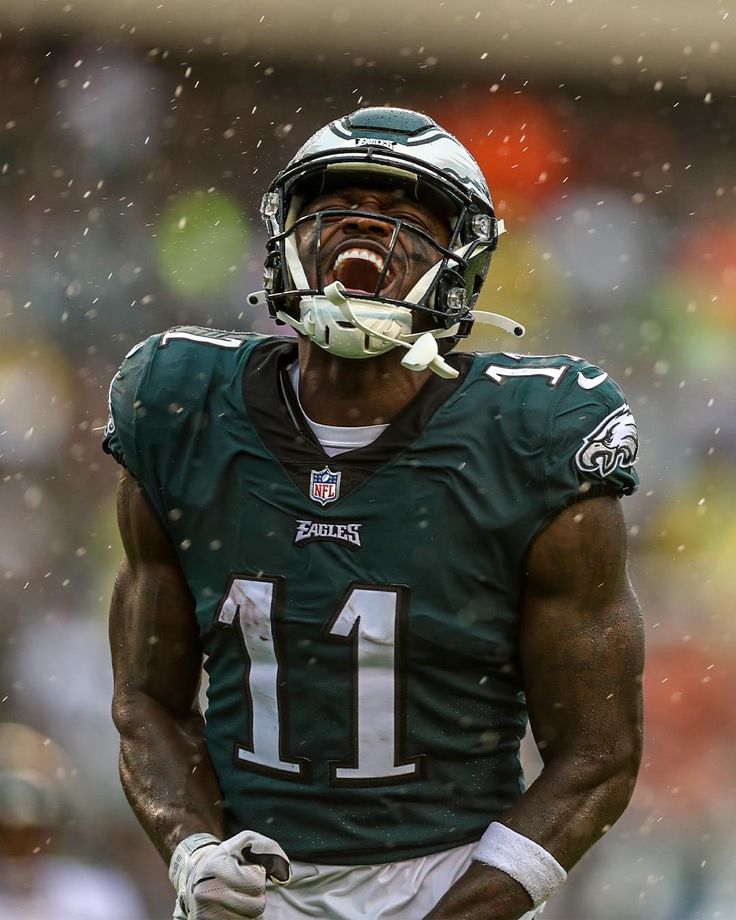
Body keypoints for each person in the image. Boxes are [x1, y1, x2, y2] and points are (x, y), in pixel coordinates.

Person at [103, 106, 644, 920]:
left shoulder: (531, 438)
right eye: (338, 208)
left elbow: (598, 755)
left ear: (461, 259)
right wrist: (192, 852)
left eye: (403, 218)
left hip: (457, 877)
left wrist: (463, 907)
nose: (366, 235)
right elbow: (147, 699)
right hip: (247, 884)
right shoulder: (181, 408)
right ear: (287, 233)